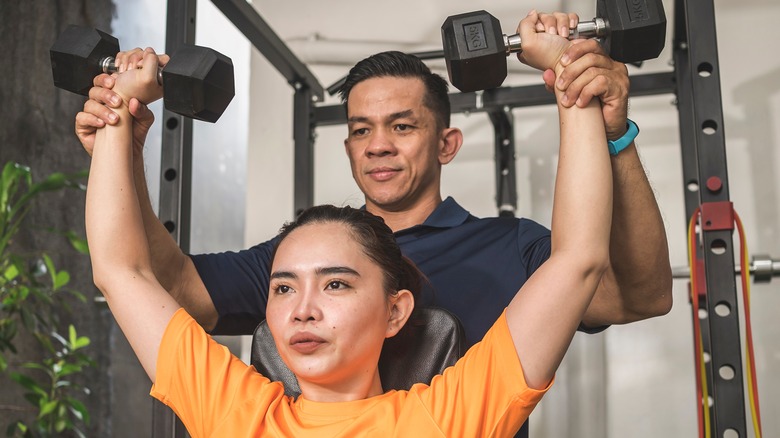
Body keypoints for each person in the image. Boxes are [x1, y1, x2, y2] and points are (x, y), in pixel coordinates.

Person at [86, 10, 614, 436]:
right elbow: (122, 271)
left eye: (336, 283)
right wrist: (117, 122)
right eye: (283, 286)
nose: (303, 311)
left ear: (396, 311)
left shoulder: (443, 419)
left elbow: (578, 259)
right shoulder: (238, 413)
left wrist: (572, 78)